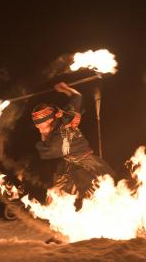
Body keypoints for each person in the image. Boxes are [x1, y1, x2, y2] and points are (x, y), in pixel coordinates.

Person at [31, 82, 114, 211]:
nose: (39, 130)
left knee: (91, 201)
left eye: (40, 127)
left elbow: (45, 149)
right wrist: (65, 89)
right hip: (76, 164)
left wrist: (43, 135)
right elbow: (77, 97)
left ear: (49, 120)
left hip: (87, 168)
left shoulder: (57, 141)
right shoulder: (64, 117)